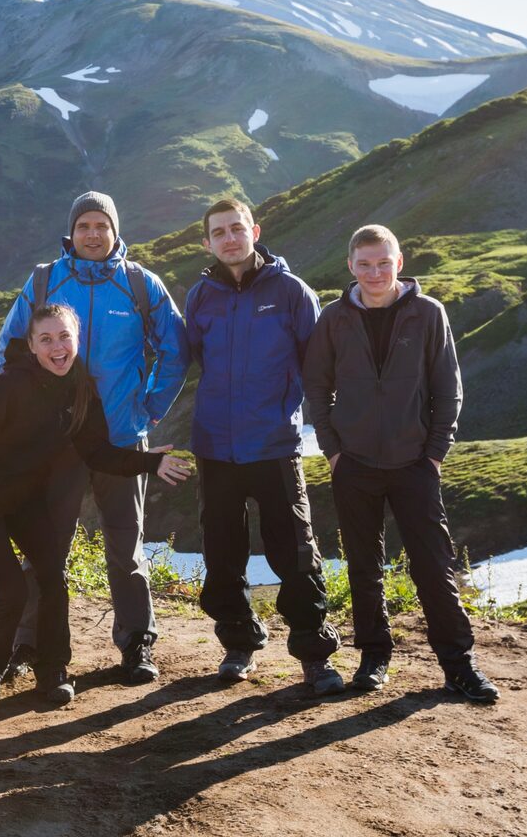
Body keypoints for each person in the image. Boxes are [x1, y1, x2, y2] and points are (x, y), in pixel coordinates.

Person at [0, 303, 190, 705]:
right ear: (31, 345)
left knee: (53, 578)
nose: (57, 347)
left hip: (26, 501)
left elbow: (98, 454)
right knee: (12, 588)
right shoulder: (9, 387)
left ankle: (53, 671)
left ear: (77, 340)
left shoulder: (82, 388)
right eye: (45, 339)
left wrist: (152, 461)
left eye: (64, 336)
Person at [0, 191, 189, 684]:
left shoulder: (140, 284)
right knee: (45, 544)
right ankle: (28, 643)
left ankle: (137, 643)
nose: (93, 234)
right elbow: (11, 347)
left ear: (115, 230)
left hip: (122, 437)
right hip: (57, 442)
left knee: (126, 545)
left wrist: (148, 406)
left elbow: (176, 349)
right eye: (84, 225)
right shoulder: (45, 279)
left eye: (102, 224)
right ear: (72, 232)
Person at [301, 223, 500, 703]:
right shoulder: (334, 318)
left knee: (434, 566)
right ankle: (373, 657)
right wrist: (333, 450)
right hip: (355, 465)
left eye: (383, 263)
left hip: (414, 464)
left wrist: (434, 454)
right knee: (364, 567)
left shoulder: (428, 313)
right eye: (365, 264)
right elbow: (316, 386)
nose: (375, 272)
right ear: (350, 266)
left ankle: (459, 664)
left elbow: (447, 388)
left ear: (400, 263)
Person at [183, 199, 343, 695]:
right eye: (219, 232)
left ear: (254, 230)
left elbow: (319, 368)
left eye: (237, 228)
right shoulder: (200, 296)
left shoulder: (292, 292)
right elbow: (185, 360)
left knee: (294, 552)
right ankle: (240, 642)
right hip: (214, 445)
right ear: (207, 241)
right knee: (222, 551)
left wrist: (331, 433)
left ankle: (314, 655)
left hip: (275, 444)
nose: (229, 238)